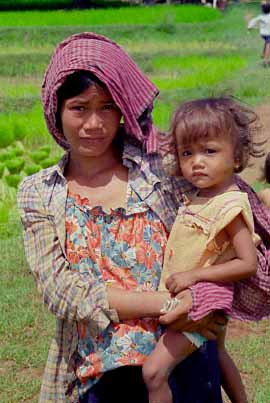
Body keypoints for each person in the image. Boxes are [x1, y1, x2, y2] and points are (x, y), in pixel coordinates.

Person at [17, 33, 270, 403]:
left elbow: (227, 220)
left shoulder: (161, 167)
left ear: (123, 109)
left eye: (107, 107)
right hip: (100, 369)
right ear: (56, 110)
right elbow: (63, 292)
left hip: (182, 352)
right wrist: (169, 304)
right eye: (79, 108)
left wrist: (206, 298)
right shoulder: (39, 192)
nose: (93, 123)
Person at [142, 97, 261, 403]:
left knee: (154, 373)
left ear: (237, 158)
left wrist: (194, 276)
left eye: (210, 151)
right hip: (199, 298)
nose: (197, 161)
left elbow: (247, 263)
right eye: (187, 152)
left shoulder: (230, 205)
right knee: (218, 353)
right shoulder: (201, 195)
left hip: (202, 303)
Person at [248, 2, 270, 67]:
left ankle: (263, 54)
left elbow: (253, 21)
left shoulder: (260, 17)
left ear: (262, 10)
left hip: (263, 34)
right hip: (268, 34)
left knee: (267, 42)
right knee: (269, 44)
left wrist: (249, 27)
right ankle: (265, 61)